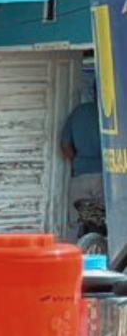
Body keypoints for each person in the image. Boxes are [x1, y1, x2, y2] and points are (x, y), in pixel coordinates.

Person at [60, 70, 105, 240]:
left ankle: (72, 256)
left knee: (77, 222)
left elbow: (65, 145)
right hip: (103, 177)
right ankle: (100, 255)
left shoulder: (78, 112)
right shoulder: (112, 115)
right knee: (101, 222)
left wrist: (77, 161)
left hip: (80, 175)